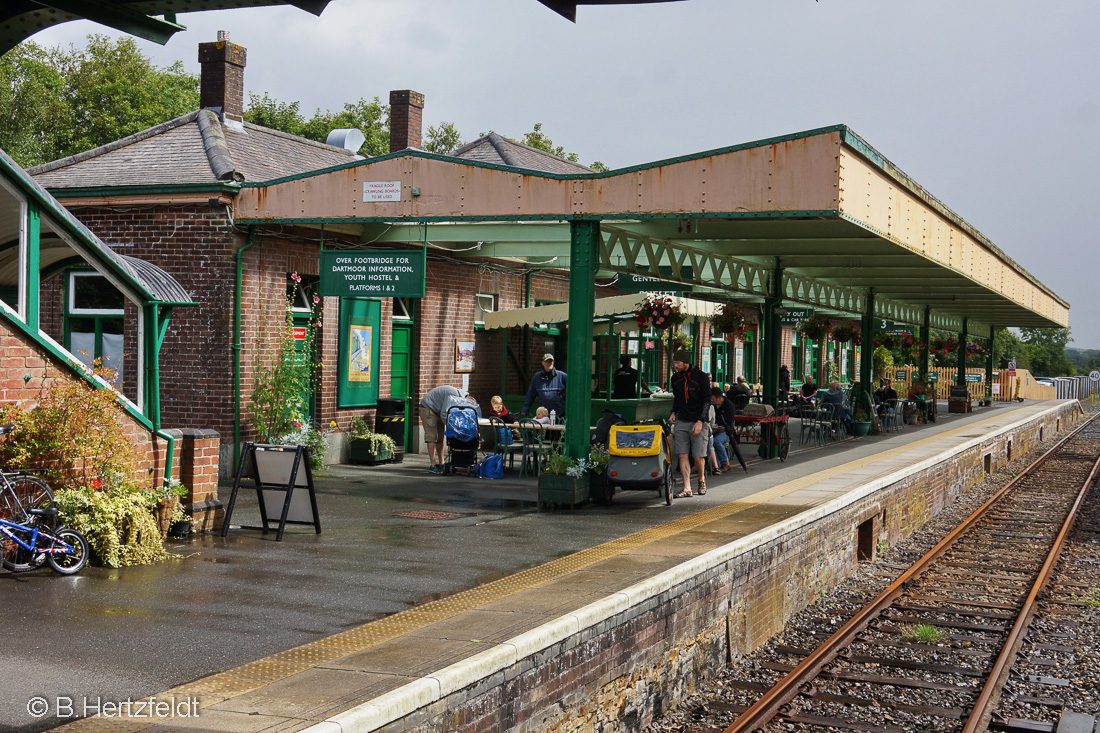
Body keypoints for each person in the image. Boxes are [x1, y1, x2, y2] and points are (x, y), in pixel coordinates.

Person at [669, 350, 711, 497]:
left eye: (678, 363)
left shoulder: (701, 377)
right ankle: (687, 487)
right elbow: (677, 397)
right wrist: (673, 412)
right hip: (682, 419)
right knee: (682, 454)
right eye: (674, 363)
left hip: (697, 420)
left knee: (698, 455)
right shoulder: (675, 379)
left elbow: (707, 400)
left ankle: (701, 479)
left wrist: (701, 421)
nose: (675, 365)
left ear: (686, 362)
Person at [419, 385, 479, 475]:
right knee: (432, 437)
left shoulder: (461, 396)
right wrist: (451, 427)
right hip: (428, 408)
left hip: (437, 410)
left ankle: (441, 462)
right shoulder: (453, 395)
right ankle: (433, 465)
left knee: (440, 437)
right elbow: (445, 412)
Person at [709, 387, 748, 474]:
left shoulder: (729, 405)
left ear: (719, 398)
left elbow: (729, 423)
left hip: (726, 432)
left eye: (713, 399)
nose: (712, 401)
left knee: (716, 441)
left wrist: (718, 428)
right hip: (713, 429)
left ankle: (725, 463)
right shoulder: (711, 406)